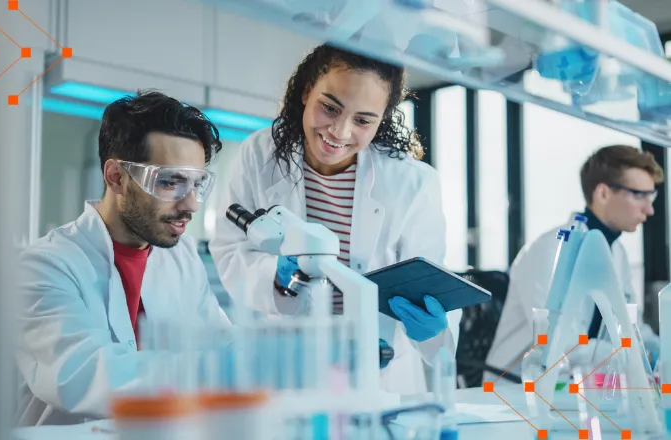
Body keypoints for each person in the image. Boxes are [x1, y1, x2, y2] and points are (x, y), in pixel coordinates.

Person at [208, 43, 462, 395]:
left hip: (382, 375)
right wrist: (278, 279)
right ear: (306, 90)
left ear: (382, 120)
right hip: (288, 366)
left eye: (362, 120)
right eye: (330, 108)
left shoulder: (413, 182)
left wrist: (433, 329)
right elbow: (230, 250)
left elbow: (430, 281)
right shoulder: (259, 154)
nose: (339, 132)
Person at [15, 91, 231, 426]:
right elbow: (85, 374)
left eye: (197, 184)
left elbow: (222, 343)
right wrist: (216, 369)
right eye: (171, 182)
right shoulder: (46, 265)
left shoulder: (183, 258)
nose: (191, 205)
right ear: (116, 176)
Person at [487, 145, 663, 382]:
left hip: (577, 385)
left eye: (652, 196)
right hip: (517, 391)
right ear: (603, 194)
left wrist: (661, 353)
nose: (649, 209)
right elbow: (562, 343)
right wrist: (633, 357)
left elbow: (632, 329)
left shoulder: (616, 253)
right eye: (639, 195)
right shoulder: (551, 249)